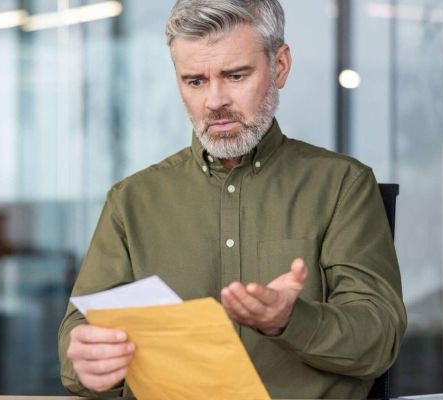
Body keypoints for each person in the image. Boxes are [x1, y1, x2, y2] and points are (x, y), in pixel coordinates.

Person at [57, 0, 407, 398]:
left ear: (279, 66)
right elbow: (76, 349)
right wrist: (88, 360)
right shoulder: (130, 202)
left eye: (235, 75)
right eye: (195, 81)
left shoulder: (343, 186)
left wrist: (288, 319)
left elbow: (379, 339)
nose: (214, 101)